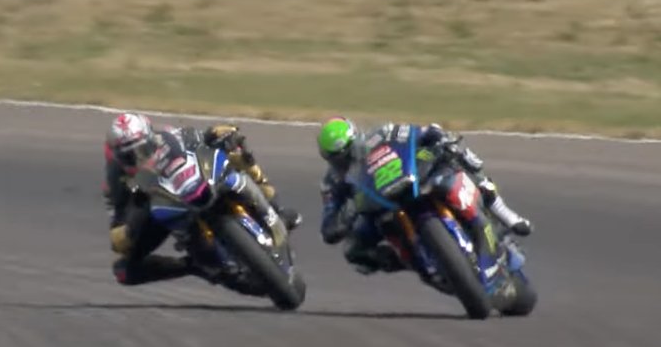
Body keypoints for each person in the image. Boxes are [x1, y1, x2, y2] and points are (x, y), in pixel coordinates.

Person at [102, 112, 298, 289]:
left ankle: (273, 203)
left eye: (144, 149)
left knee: (236, 150)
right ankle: (193, 266)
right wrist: (129, 230)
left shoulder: (168, 136)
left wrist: (215, 134)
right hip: (161, 205)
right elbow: (117, 228)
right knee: (124, 271)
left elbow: (196, 138)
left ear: (151, 137)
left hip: (191, 182)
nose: (139, 157)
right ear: (118, 158)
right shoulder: (116, 181)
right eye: (130, 156)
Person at [316, 116, 533, 274]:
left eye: (349, 152)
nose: (346, 160)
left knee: (457, 155)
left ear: (357, 139)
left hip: (413, 178)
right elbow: (328, 227)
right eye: (338, 158)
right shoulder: (332, 182)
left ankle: (501, 210)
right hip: (379, 208)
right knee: (353, 251)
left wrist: (437, 137)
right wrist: (348, 213)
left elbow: (420, 132)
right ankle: (407, 261)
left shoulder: (382, 133)